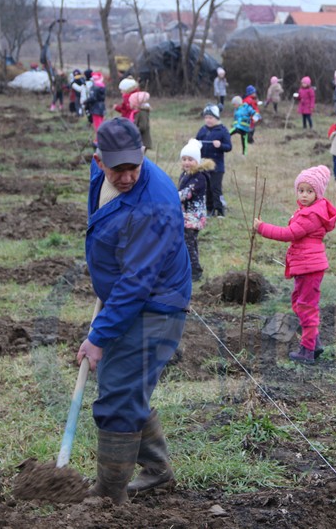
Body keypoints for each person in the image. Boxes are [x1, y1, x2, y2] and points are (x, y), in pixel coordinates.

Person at [76, 117, 191, 505]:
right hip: (131, 300)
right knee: (122, 386)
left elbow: (137, 283)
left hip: (155, 305)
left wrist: (98, 336)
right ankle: (157, 470)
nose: (126, 177)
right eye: (117, 169)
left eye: (133, 167)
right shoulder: (102, 173)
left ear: (143, 156)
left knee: (118, 396)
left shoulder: (154, 204)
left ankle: (109, 496)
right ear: (99, 160)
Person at [254, 165, 336, 364]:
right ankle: (314, 343)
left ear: (317, 193)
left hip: (309, 267)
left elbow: (288, 234)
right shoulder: (308, 210)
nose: (304, 195)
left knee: (306, 307)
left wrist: (262, 228)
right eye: (301, 190)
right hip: (306, 266)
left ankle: (307, 351)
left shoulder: (311, 215)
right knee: (299, 303)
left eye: (309, 191)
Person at [178, 138, 212, 282]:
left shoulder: (199, 178)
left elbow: (187, 193)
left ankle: (195, 271)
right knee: (188, 242)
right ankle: (187, 267)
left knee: (189, 244)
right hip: (186, 216)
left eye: (190, 159)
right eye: (184, 159)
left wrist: (170, 196)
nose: (186, 162)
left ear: (197, 161)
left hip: (194, 217)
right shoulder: (185, 175)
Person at [196, 104, 232, 217]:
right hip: (204, 164)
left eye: (210, 118)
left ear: (216, 118)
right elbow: (196, 142)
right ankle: (209, 209)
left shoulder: (223, 130)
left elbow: (228, 147)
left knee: (215, 188)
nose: (208, 120)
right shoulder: (202, 130)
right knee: (206, 188)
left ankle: (220, 211)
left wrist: (220, 145)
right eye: (206, 118)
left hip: (217, 166)